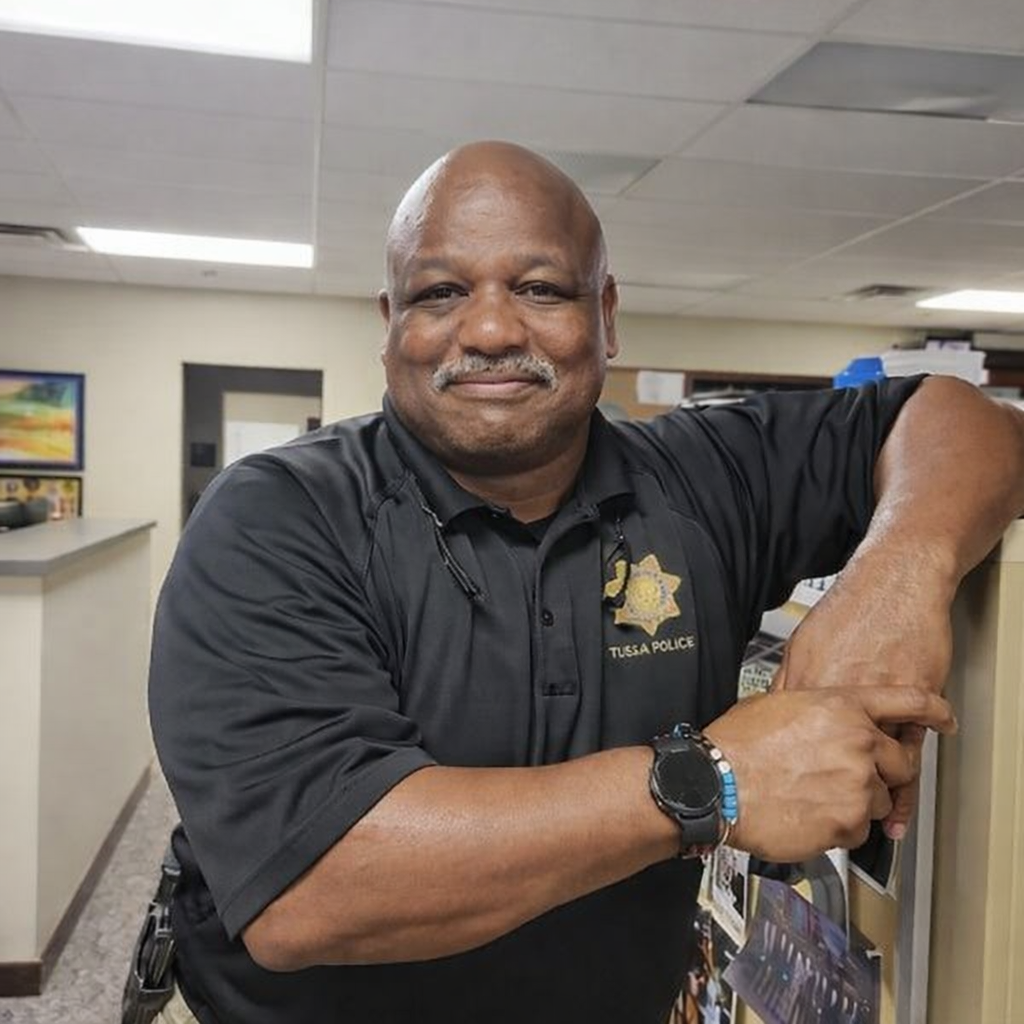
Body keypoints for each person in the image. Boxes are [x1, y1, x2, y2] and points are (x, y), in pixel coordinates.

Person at [145, 140, 1024, 1024]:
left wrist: (897, 575)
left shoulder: (708, 474)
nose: (489, 331)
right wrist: (713, 783)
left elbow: (962, 420)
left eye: (539, 289)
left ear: (605, 316)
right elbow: (315, 889)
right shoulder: (276, 518)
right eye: (440, 292)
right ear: (390, 323)